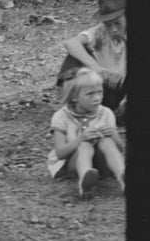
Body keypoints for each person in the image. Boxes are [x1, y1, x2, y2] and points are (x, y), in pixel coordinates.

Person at [47, 68, 125, 199]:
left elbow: (120, 148)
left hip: (102, 164)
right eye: (90, 94)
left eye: (100, 92)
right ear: (73, 97)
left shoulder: (106, 113)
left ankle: (123, 177)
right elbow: (60, 153)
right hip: (72, 165)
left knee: (106, 141)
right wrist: (81, 138)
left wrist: (112, 134)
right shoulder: (61, 117)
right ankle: (85, 181)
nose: (97, 98)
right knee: (85, 144)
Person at [57, 0, 126, 113]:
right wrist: (95, 67)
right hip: (104, 88)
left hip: (124, 90)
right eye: (108, 24)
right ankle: (72, 106)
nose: (113, 30)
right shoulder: (101, 31)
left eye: (117, 23)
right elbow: (71, 43)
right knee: (74, 58)